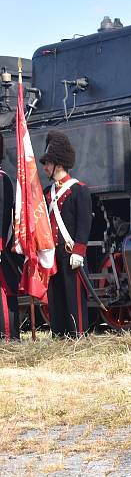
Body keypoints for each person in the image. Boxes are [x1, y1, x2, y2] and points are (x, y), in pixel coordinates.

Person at [41, 131, 92, 338]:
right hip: (54, 254)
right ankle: (59, 335)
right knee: (57, 298)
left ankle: (78, 336)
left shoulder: (79, 190)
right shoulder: (47, 192)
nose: (44, 167)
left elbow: (84, 223)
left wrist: (79, 250)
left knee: (75, 297)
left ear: (58, 165)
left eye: (48, 163)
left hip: (72, 253)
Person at [0, 135, 20, 340]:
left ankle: (8, 335)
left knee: (4, 290)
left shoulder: (2, 179)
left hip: (0, 246)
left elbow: (2, 214)